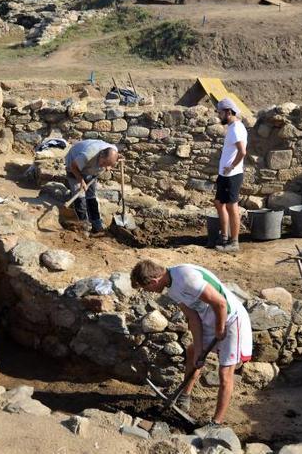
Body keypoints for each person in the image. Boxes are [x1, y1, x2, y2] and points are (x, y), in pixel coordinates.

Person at [131, 259, 252, 426]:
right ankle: (184, 396)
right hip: (210, 320)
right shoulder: (172, 289)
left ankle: (216, 423)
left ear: (154, 281)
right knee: (192, 352)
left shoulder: (186, 277)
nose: (150, 292)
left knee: (225, 374)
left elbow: (221, 303)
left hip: (231, 320)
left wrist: (220, 328)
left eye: (147, 288)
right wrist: (200, 350)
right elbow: (193, 318)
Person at [212, 98, 248, 252]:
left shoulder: (236, 129)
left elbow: (242, 152)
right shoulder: (233, 127)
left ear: (228, 112)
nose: (219, 116)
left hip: (231, 175)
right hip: (225, 174)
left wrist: (231, 167)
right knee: (219, 203)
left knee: (232, 207)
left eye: (220, 113)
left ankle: (234, 242)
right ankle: (224, 237)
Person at [64, 139, 119, 234]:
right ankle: (83, 226)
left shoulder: (112, 150)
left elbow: (112, 160)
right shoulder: (88, 154)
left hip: (91, 169)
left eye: (106, 164)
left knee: (91, 196)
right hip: (74, 167)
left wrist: (108, 165)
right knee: (80, 197)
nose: (104, 166)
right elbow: (74, 167)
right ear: (101, 155)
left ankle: (96, 224)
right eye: (104, 163)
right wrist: (81, 181)